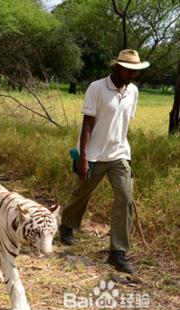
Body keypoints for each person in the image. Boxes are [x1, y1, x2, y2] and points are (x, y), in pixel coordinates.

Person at [59, 49, 150, 273]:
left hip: (119, 153)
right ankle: (67, 225)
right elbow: (88, 125)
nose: (132, 75)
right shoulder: (97, 88)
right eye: (129, 70)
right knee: (82, 193)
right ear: (117, 68)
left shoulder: (133, 91)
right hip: (94, 153)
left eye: (135, 71)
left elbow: (123, 124)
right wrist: (84, 157)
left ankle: (117, 252)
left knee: (126, 197)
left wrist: (127, 156)